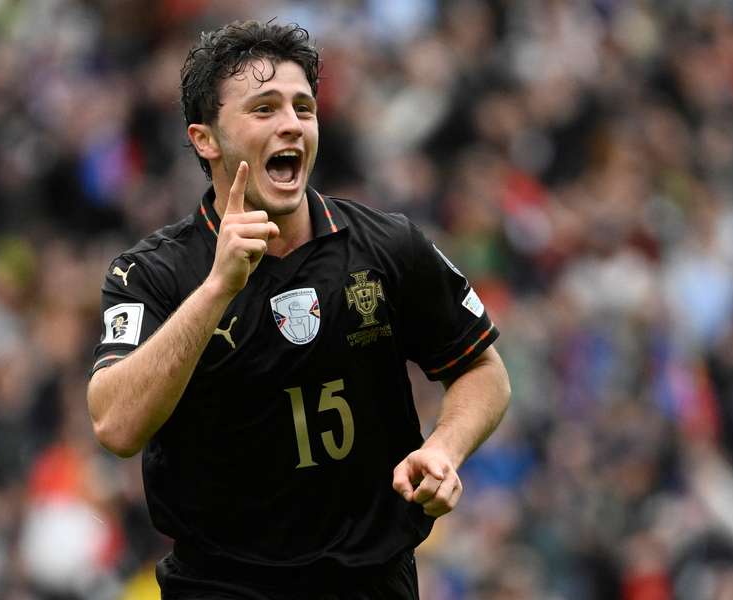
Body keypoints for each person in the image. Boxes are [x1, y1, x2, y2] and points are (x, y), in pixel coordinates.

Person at [86, 19, 510, 599]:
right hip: (222, 586)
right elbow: (115, 425)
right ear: (205, 138)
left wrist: (443, 449)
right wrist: (217, 289)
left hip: (371, 582)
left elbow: (483, 370)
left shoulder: (385, 247)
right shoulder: (153, 273)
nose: (291, 123)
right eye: (264, 109)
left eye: (302, 107)